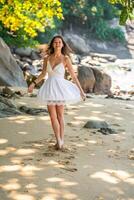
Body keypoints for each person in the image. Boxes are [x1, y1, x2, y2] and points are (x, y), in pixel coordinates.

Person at [28, 35, 86, 150]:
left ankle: (61, 140)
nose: (57, 44)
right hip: (49, 88)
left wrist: (81, 91)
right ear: (52, 44)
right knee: (52, 116)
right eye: (55, 42)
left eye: (59, 42)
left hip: (60, 89)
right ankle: (58, 140)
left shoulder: (65, 59)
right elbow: (43, 74)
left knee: (60, 115)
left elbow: (74, 76)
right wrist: (33, 83)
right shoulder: (47, 58)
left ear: (62, 44)